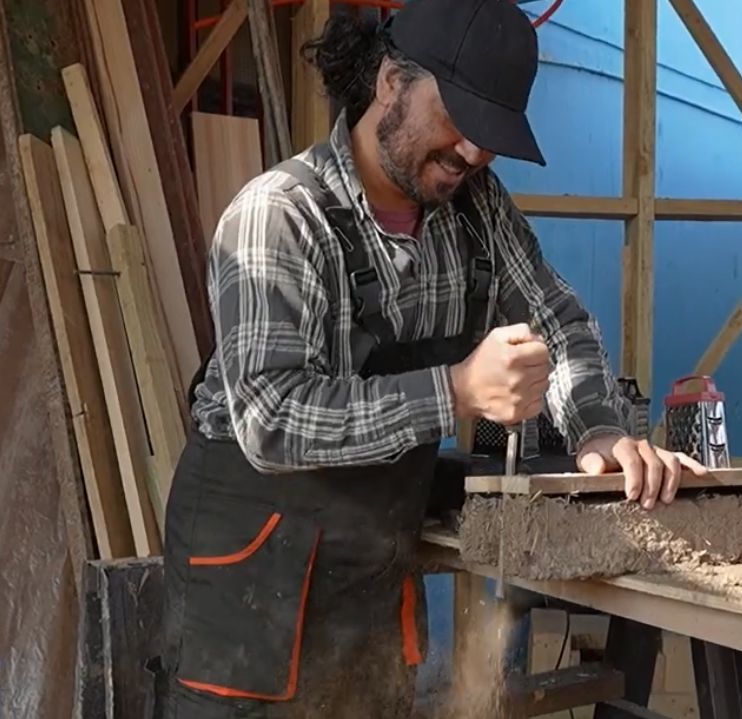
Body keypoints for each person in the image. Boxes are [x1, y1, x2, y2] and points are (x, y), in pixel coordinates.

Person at [158, 0, 707, 717]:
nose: (474, 154)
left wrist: (596, 430)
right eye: (460, 123)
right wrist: (454, 391)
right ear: (391, 81)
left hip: (368, 609)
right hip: (246, 615)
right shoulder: (281, 215)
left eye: (490, 137)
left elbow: (559, 321)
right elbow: (271, 418)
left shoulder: (475, 208)